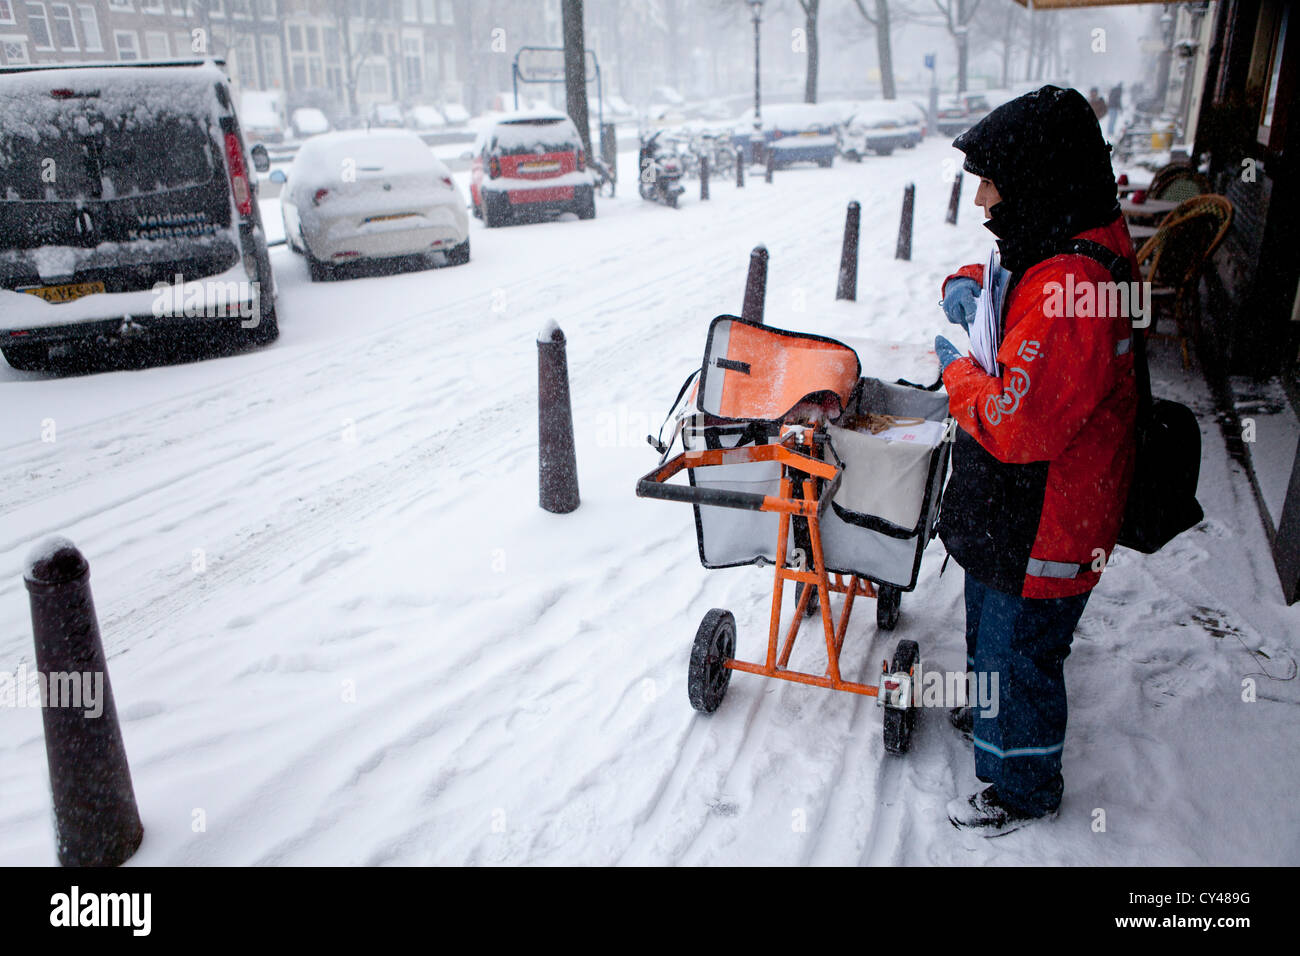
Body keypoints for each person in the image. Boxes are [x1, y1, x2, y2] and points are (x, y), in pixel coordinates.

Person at [932, 85, 1139, 836]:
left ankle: (1022, 785)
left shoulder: (1072, 291)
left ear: (1038, 177)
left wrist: (956, 364)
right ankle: (991, 711)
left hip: (1050, 517)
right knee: (991, 621)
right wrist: (965, 287)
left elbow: (1014, 426)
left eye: (994, 181)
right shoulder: (1060, 235)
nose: (983, 199)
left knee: (1020, 649)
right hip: (1020, 507)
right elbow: (1001, 277)